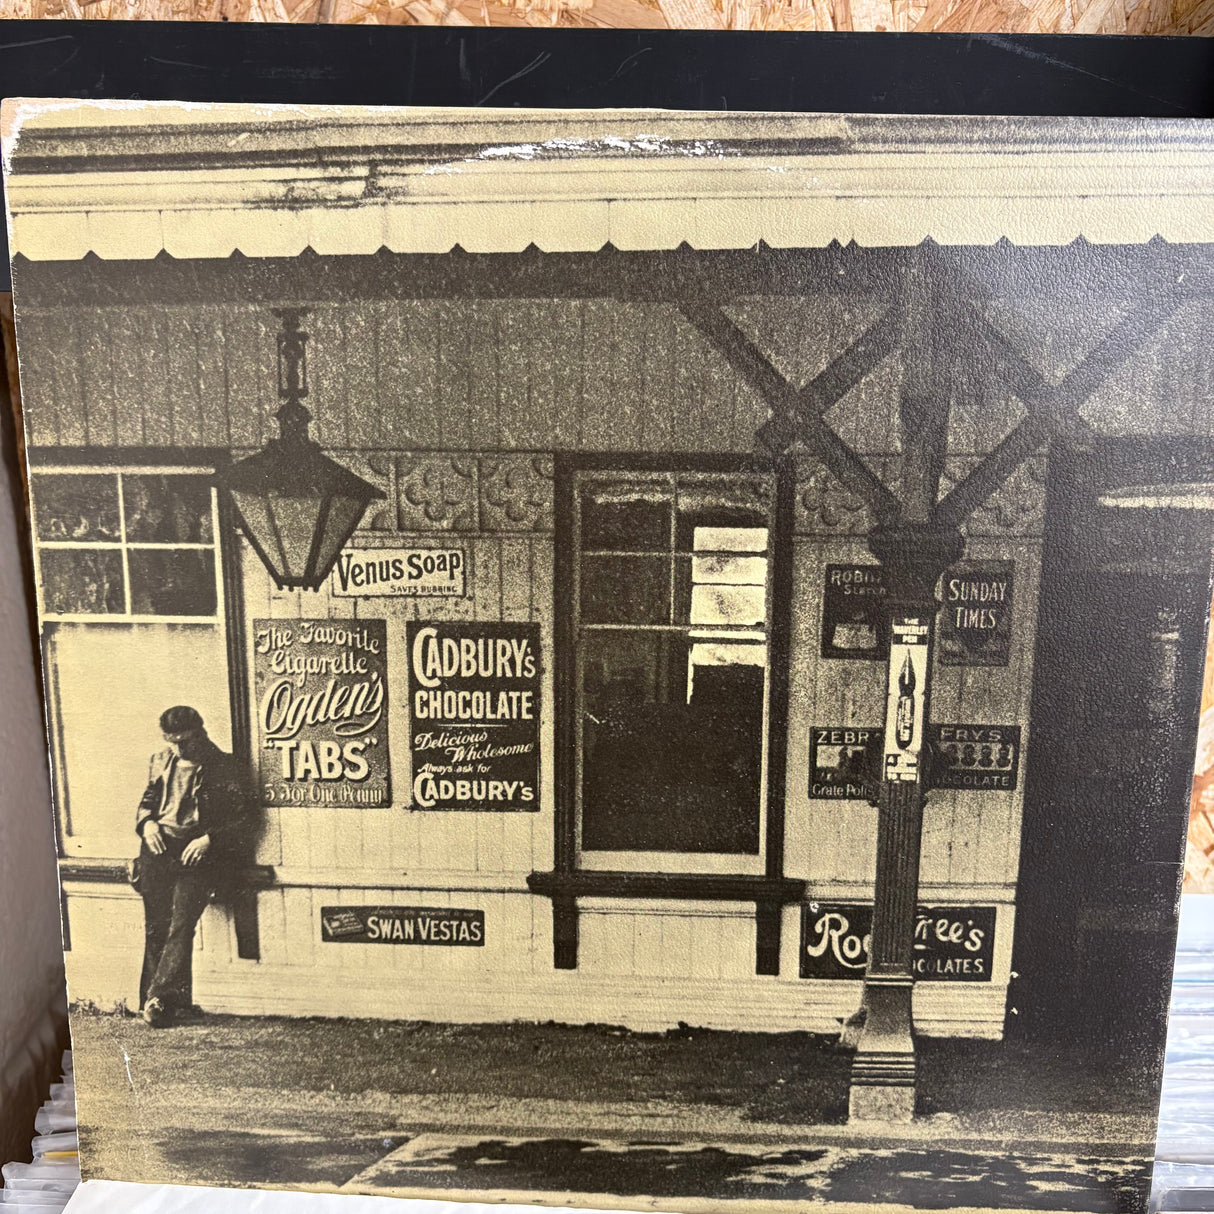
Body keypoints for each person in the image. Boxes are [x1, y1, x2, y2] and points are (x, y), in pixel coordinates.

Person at [135, 705, 245, 1028]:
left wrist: (210, 839)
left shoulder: (223, 766)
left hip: (197, 854)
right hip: (157, 850)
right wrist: (147, 825)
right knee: (157, 925)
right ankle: (165, 1003)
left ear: (201, 732)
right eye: (173, 741)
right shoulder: (161, 761)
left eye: (186, 740)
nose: (180, 748)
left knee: (181, 924)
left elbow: (244, 817)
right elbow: (145, 803)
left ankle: (156, 997)